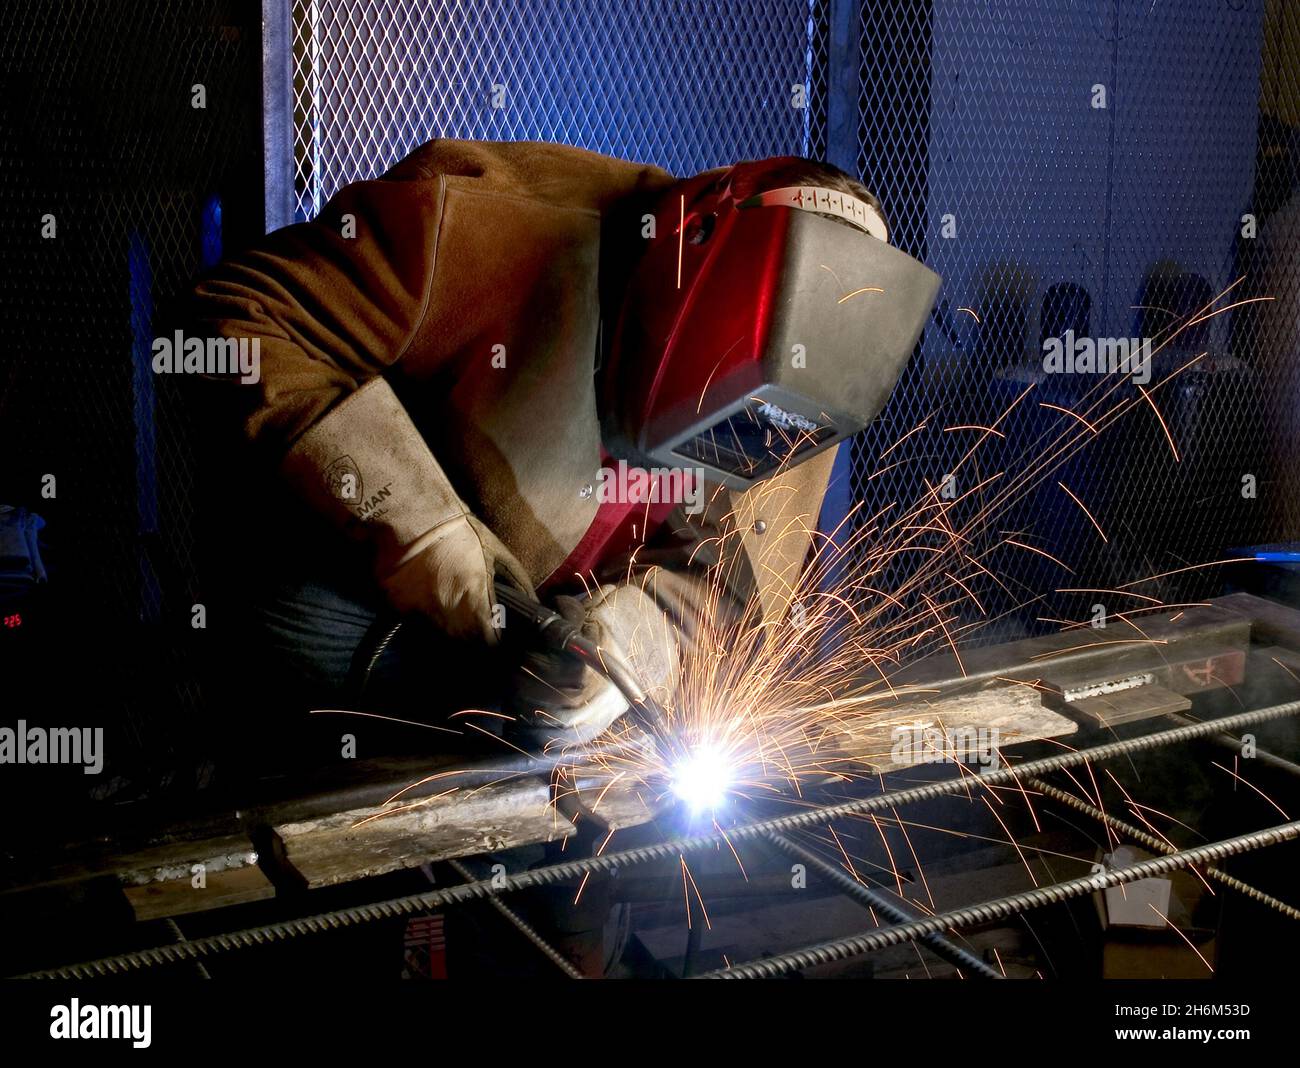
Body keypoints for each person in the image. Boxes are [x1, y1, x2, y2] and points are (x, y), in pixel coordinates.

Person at [184, 139, 937, 770]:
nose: (730, 447)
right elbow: (234, 323)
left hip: (554, 625)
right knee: (315, 625)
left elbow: (735, 598)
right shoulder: (481, 223)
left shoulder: (814, 381)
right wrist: (422, 535)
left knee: (612, 758)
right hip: (374, 592)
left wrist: (637, 645)